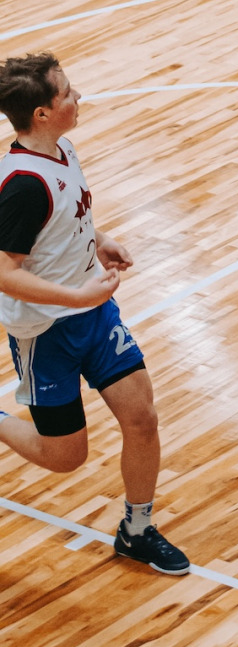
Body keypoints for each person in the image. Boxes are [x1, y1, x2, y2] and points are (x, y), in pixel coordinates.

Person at [0, 53, 189, 575]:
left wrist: (98, 239)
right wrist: (77, 298)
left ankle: (137, 530)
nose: (78, 96)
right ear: (42, 113)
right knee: (65, 458)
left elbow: (63, 218)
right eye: (67, 92)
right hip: (46, 332)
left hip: (95, 315)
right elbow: (4, 271)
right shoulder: (22, 185)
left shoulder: (62, 149)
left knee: (142, 418)